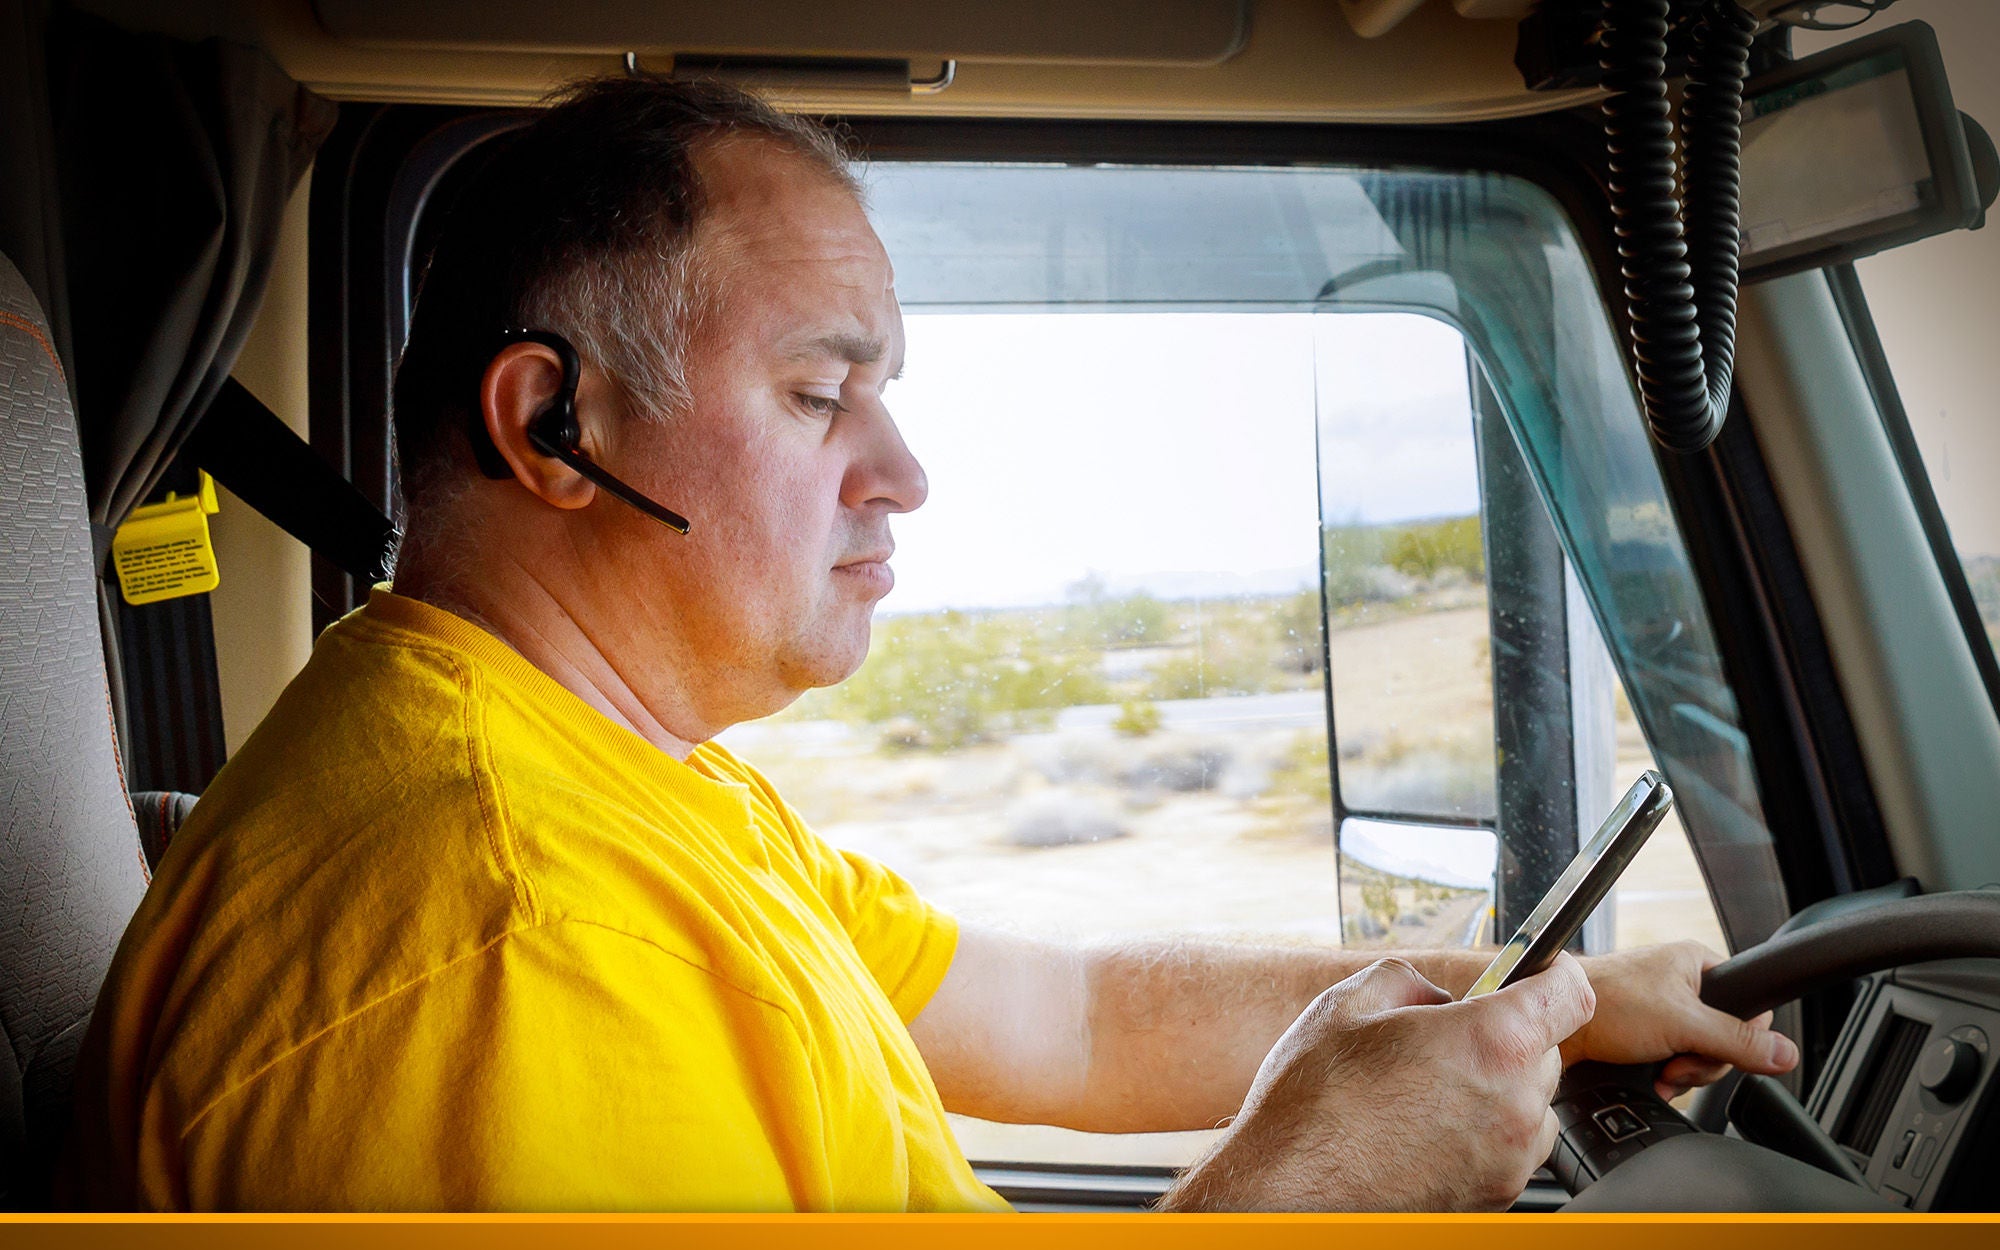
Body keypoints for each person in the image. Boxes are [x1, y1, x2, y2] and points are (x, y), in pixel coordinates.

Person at [64, 75, 1797, 1213]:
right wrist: (1322, 1173)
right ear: (551, 427)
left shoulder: (623, 783)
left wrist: (1525, 1002)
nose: (902, 472)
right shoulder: (513, 936)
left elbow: (1070, 1016)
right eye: (822, 393)